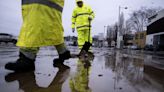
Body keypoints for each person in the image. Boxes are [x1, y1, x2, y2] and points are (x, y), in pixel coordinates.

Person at [5, 0, 71, 72]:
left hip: (38, 6)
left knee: (35, 23)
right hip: (53, 5)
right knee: (52, 24)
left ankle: (27, 58)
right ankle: (63, 51)